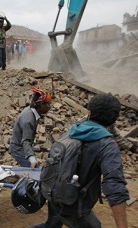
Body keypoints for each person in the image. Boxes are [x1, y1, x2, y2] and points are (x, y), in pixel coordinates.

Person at [33, 93, 129, 228]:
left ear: (89, 114)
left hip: (54, 195)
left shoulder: (73, 131)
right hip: (75, 206)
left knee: (51, 226)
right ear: (114, 120)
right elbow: (115, 186)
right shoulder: (107, 145)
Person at [10, 87, 52, 168]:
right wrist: (32, 160)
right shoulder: (28, 120)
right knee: (35, 171)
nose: (49, 107)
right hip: (18, 149)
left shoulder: (31, 111)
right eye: (47, 104)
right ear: (41, 105)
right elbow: (26, 141)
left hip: (21, 146)